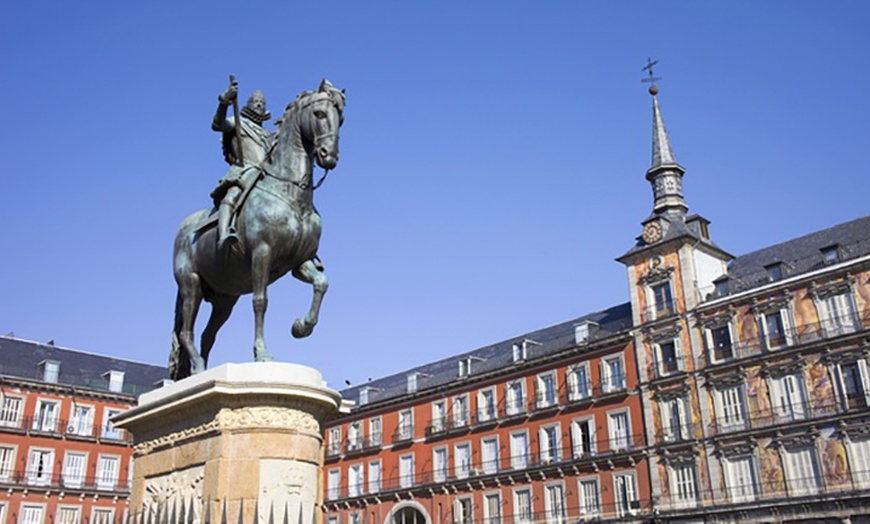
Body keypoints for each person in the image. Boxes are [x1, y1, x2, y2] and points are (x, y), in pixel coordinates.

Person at [210, 79, 274, 251]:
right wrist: (224, 102)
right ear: (248, 104)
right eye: (256, 102)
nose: (259, 105)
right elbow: (218, 125)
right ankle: (223, 236)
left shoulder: (268, 136)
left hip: (267, 175)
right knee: (232, 196)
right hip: (244, 171)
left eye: (262, 103)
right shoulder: (239, 123)